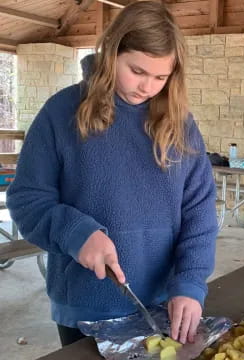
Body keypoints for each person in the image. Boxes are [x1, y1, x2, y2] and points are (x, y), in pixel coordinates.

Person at [7, 1, 217, 347]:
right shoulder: (61, 112)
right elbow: (27, 199)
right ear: (111, 53)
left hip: (165, 303)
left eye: (161, 77)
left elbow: (200, 212)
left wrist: (191, 283)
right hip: (85, 307)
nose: (147, 87)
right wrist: (77, 233)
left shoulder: (181, 125)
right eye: (137, 71)